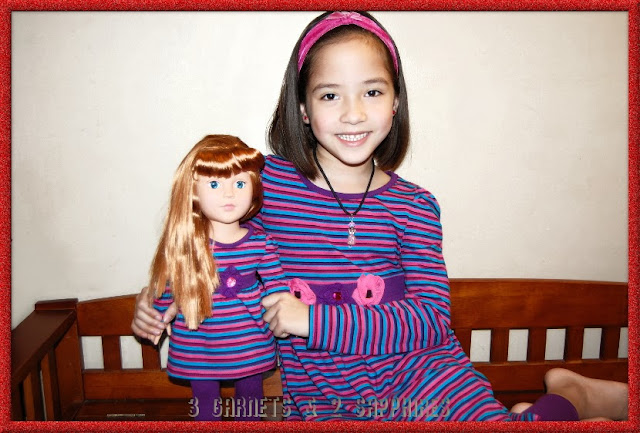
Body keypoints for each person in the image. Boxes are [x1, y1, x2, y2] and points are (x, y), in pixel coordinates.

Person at [132, 12, 628, 422]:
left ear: (395, 103)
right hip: (327, 394)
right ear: (302, 108)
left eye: (372, 92)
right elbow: (204, 243)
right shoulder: (265, 185)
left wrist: (313, 320)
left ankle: (571, 396)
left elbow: (432, 318)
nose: (353, 113)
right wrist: (156, 298)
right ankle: (546, 408)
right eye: (330, 95)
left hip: (425, 375)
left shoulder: (414, 206)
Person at [147, 134, 289, 421]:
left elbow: (277, 286)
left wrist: (282, 315)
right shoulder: (189, 244)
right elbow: (171, 283)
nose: (229, 194)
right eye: (214, 184)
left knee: (250, 397)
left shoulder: (261, 243)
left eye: (240, 184)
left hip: (249, 337)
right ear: (193, 191)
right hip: (199, 338)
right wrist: (157, 318)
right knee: (204, 401)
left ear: (254, 186)